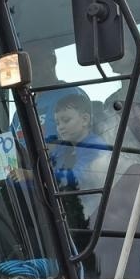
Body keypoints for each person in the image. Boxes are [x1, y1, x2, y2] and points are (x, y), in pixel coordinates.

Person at [46, 88, 110, 225]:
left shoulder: (96, 147)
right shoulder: (63, 149)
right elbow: (47, 170)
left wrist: (37, 176)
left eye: (66, 120)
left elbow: (78, 177)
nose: (60, 127)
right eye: (57, 123)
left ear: (85, 119)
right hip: (67, 215)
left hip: (92, 219)